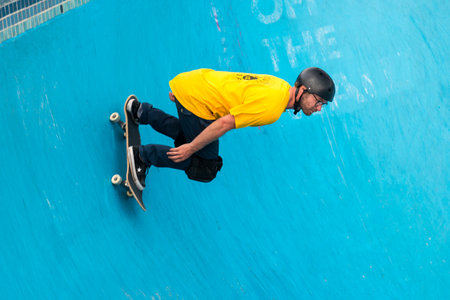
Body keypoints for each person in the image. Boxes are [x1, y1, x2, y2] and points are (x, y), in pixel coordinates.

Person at [126, 67, 335, 191]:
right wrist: (190, 148)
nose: (318, 108)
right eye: (318, 101)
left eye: (322, 105)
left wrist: (185, 91)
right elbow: (224, 124)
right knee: (205, 164)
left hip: (195, 82)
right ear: (303, 90)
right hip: (197, 100)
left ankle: (141, 112)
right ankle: (143, 156)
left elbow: (238, 87)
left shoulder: (280, 87)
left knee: (191, 134)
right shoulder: (272, 108)